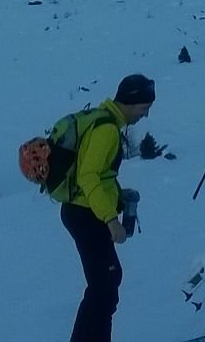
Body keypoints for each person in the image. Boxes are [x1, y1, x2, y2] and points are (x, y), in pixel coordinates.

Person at [61, 73, 155, 342]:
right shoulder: (107, 130)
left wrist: (117, 195)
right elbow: (88, 176)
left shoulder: (103, 120)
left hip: (82, 210)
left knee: (104, 285)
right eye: (143, 108)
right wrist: (111, 220)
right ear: (129, 102)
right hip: (86, 214)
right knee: (104, 286)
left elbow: (98, 175)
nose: (145, 115)